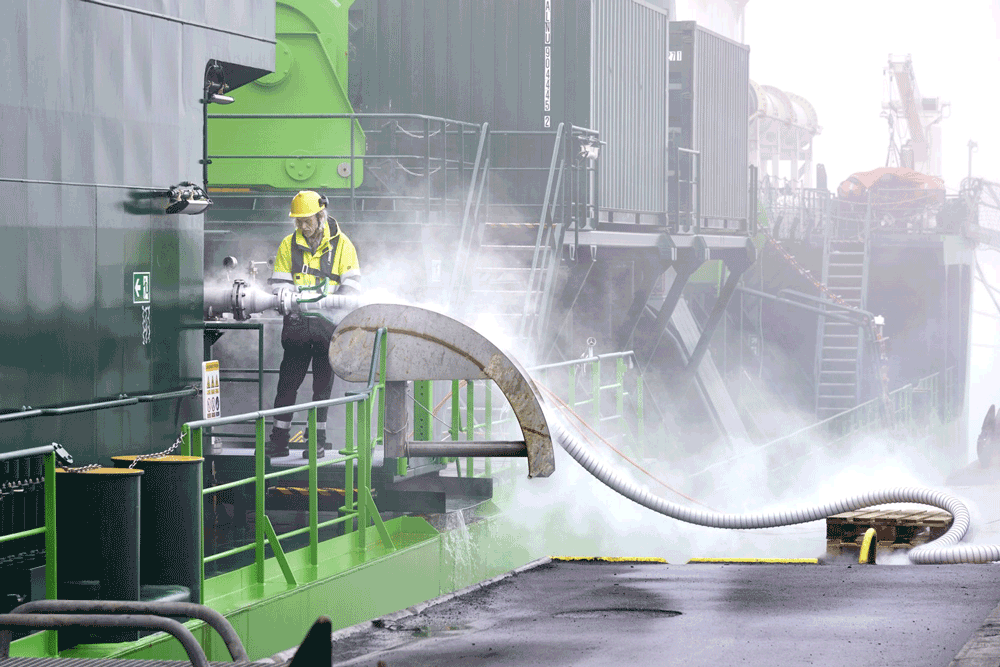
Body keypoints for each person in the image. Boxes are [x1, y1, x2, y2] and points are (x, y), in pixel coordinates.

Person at [266, 191, 361, 458]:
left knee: (322, 388)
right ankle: (279, 440)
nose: (302, 227)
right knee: (287, 384)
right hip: (297, 327)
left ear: (321, 217)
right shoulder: (288, 245)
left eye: (307, 221)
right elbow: (280, 285)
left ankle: (316, 441)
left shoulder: (343, 246)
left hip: (328, 328)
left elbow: (352, 290)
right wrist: (288, 298)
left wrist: (328, 304)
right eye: (298, 221)